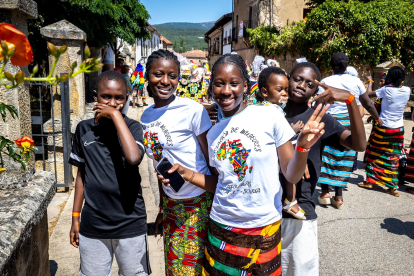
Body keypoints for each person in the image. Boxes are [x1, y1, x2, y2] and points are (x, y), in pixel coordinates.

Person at [160, 54, 328, 276]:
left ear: (246, 86)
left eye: (234, 83)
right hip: (221, 227)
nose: (226, 90)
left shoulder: (269, 114)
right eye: (219, 84)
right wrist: (186, 173)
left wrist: (302, 149)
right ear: (211, 88)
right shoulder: (213, 134)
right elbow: (219, 184)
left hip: (264, 228)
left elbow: (291, 175)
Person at [281, 62, 366, 276]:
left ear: (315, 92)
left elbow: (359, 144)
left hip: (300, 212)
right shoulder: (271, 114)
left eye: (310, 84)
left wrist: (350, 100)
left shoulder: (319, 119)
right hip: (265, 211)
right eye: (297, 79)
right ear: (288, 78)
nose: (301, 85)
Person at [69, 70, 150, 276]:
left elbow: (133, 158)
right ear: (95, 96)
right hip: (94, 225)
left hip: (130, 224)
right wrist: (75, 217)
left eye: (119, 98)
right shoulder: (84, 129)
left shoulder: (133, 128)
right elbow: (81, 175)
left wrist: (115, 116)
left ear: (126, 99)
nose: (113, 103)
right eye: (106, 97)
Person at [140, 49, 213, 276]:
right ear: (147, 76)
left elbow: (211, 159)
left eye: (172, 75)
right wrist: (163, 206)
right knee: (173, 267)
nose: (165, 81)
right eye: (158, 74)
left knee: (191, 269)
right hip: (172, 204)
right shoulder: (145, 117)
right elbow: (158, 164)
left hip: (198, 202)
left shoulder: (192, 110)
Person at [316, 53, 366, 209]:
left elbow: (318, 102)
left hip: (330, 121)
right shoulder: (356, 81)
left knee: (327, 156)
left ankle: (324, 193)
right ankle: (338, 197)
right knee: (344, 158)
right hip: (349, 121)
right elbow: (366, 103)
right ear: (346, 66)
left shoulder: (325, 81)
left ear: (331, 66)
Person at [256, 66, 307, 220]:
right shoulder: (272, 110)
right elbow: (278, 133)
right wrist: (293, 129)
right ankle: (291, 201)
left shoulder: (262, 107)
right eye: (279, 90)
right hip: (274, 151)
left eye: (286, 89)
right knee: (291, 169)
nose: (285, 93)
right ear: (265, 92)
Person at [358, 66, 410, 197]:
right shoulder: (407, 90)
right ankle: (392, 187)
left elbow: (367, 95)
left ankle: (370, 181)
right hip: (398, 129)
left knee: (374, 152)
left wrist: (370, 81)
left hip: (384, 127)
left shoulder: (386, 90)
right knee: (393, 157)